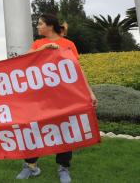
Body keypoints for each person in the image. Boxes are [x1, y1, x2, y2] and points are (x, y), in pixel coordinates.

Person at [15, 13, 97, 183]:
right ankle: (30, 166)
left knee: (65, 130)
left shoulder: (68, 44)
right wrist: (43, 49)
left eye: (40, 24)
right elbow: (25, 60)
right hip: (40, 97)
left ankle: (63, 168)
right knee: (34, 129)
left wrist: (89, 92)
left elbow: (77, 70)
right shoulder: (38, 43)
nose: (37, 27)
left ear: (50, 26)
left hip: (64, 96)